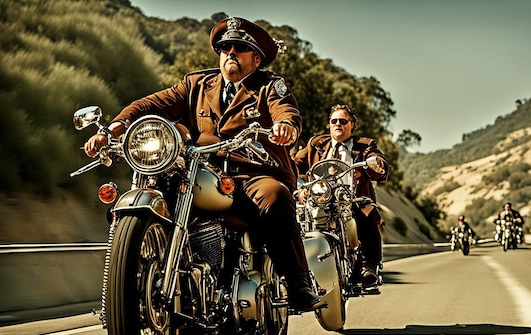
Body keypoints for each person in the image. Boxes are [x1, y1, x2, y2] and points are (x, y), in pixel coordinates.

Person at [83, 17, 324, 311]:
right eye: (225, 48)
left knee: (274, 197)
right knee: (163, 185)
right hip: (202, 169)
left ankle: (298, 281)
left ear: (256, 58)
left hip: (253, 172)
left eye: (239, 48)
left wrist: (286, 126)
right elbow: (151, 105)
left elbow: (285, 111)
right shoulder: (196, 84)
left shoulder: (270, 86)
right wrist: (115, 127)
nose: (230, 53)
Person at [293, 104, 389, 288]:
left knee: (367, 212)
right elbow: (294, 164)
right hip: (319, 198)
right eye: (334, 121)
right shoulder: (316, 144)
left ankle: (368, 265)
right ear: (328, 124)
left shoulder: (364, 146)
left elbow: (379, 162)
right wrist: (299, 186)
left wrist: (378, 164)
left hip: (351, 199)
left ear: (352, 125)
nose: (338, 124)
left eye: (343, 121)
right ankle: (297, 271)